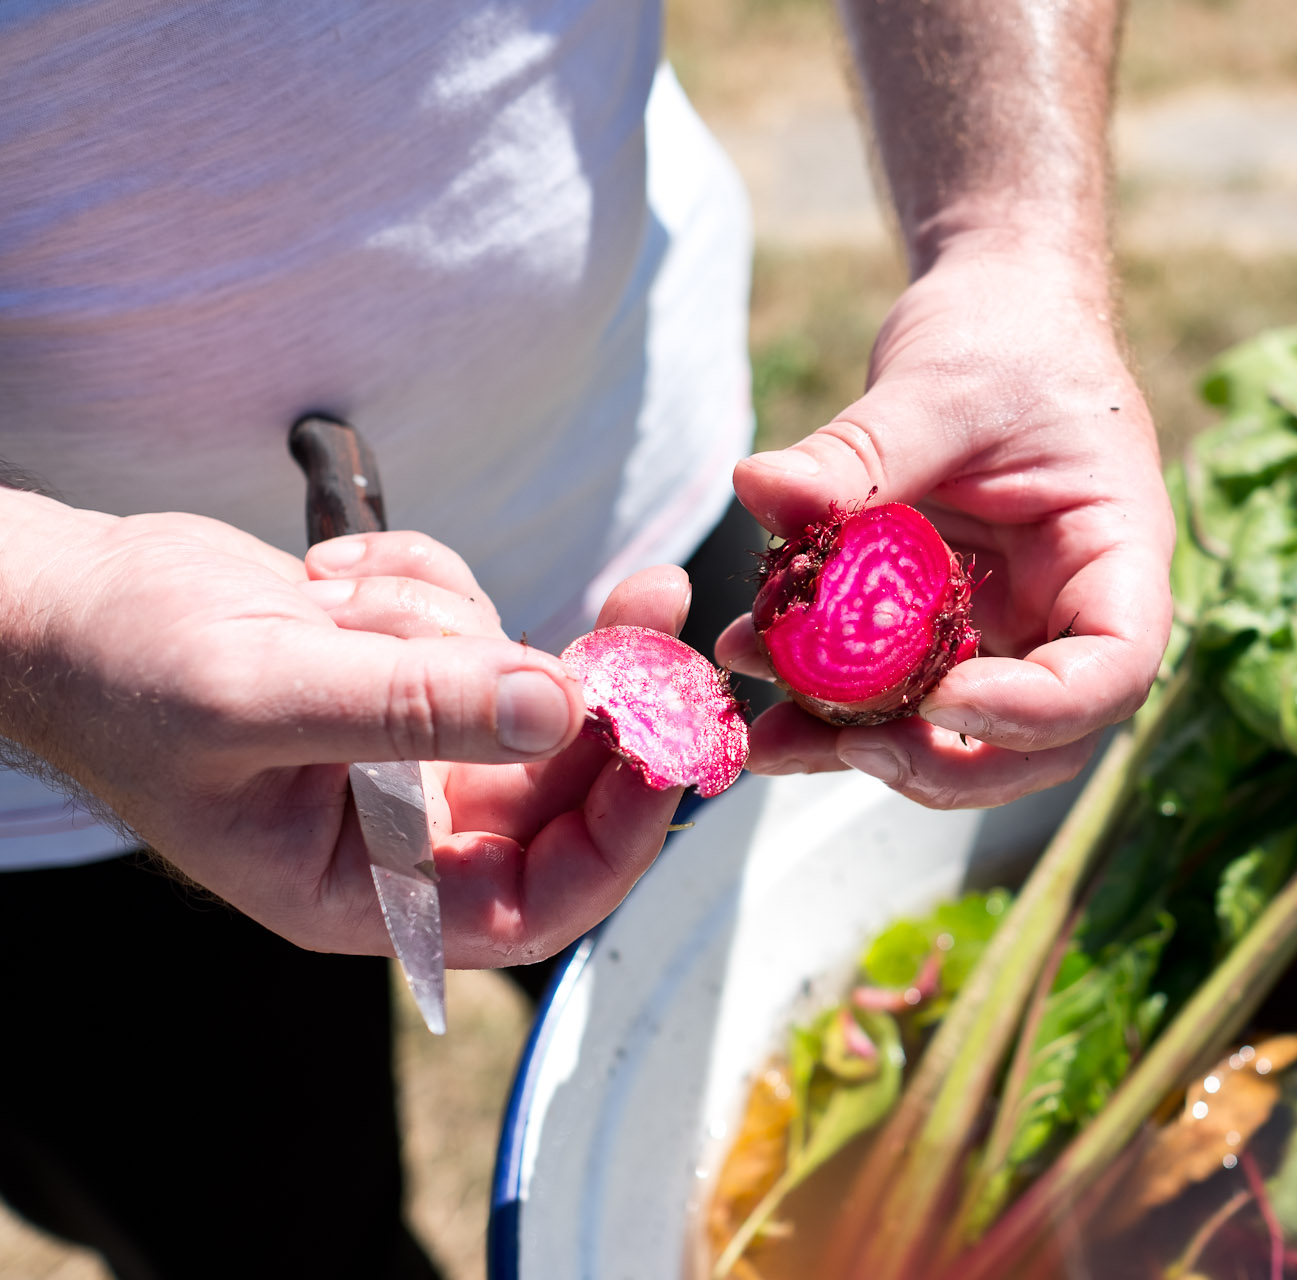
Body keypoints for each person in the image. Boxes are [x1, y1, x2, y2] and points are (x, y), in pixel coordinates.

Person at [0, 1, 1172, 1276]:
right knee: (256, 1234)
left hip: (637, 498)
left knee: (740, 1103)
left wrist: (1009, 242)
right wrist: (43, 616)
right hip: (52, 760)